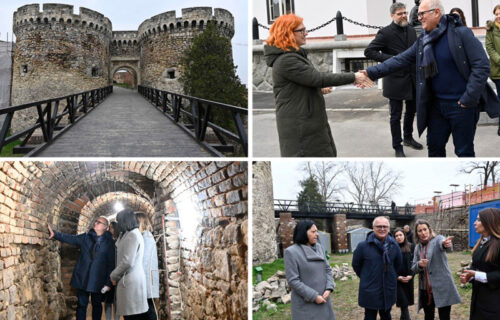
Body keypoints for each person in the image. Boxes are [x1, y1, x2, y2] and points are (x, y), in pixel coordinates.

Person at [364, 0, 500, 157]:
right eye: (418, 14)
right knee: (434, 150)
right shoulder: (423, 40)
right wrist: (369, 73)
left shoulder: (461, 34)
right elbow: (400, 59)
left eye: (422, 14)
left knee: (464, 152)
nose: (418, 17)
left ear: (436, 13)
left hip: (462, 107)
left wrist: (468, 98)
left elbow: (482, 66)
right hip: (435, 108)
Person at [264, 13, 373, 157]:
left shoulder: (292, 56)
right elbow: (317, 78)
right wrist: (353, 76)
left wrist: (316, 89)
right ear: (288, 33)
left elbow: (305, 81)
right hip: (301, 127)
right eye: (301, 30)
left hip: (307, 122)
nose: (306, 33)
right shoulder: (286, 60)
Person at [365, 2, 423, 157]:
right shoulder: (385, 33)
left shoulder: (411, 30)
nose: (404, 15)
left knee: (411, 111)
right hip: (395, 80)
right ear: (392, 16)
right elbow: (369, 51)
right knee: (396, 116)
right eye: (400, 13)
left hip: (412, 78)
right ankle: (397, 146)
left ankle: (408, 138)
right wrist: (392, 59)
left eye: (405, 12)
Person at [48, 216, 115, 320]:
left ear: (105, 227)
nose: (95, 223)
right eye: (96, 221)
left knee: (97, 305)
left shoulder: (109, 243)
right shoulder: (86, 237)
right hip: (84, 276)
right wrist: (55, 234)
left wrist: (108, 283)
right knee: (81, 304)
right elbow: (72, 239)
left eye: (99, 222)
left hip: (98, 279)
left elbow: (111, 264)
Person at [284, 220, 336, 319]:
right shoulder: (291, 252)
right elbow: (293, 280)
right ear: (303, 233)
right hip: (306, 304)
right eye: (313, 232)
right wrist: (314, 296)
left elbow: (327, 269)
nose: (317, 234)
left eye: (317, 231)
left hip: (324, 300)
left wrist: (329, 288)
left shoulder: (319, 248)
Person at [352, 216, 402, 320]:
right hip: (370, 289)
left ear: (389, 228)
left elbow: (398, 264)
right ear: (373, 228)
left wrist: (390, 276)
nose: (382, 229)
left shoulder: (394, 245)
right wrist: (367, 276)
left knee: (386, 316)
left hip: (388, 288)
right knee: (370, 316)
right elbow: (356, 265)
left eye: (385, 226)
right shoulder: (363, 246)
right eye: (379, 226)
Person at [411, 219, 461, 320]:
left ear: (429, 229)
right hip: (425, 289)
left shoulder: (438, 239)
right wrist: (419, 265)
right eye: (420, 230)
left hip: (442, 287)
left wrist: (446, 244)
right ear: (416, 233)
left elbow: (444, 246)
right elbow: (413, 268)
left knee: (444, 317)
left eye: (425, 229)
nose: (423, 233)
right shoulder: (417, 247)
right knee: (428, 316)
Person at [460, 208, 500, 320]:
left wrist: (476, 275)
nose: (474, 222)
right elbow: (477, 266)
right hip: (478, 302)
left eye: (478, 219)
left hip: (494, 305)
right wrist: (469, 276)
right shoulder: (482, 243)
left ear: (489, 221)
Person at [110, 209, 148, 319]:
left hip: (131, 281)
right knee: (129, 315)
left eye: (119, 221)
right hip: (128, 280)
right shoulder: (127, 234)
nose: (118, 224)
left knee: (133, 316)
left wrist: (113, 275)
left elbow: (127, 261)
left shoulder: (133, 235)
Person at [136, 212, 160, 320]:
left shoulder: (146, 238)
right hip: (145, 281)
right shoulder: (145, 236)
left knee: (148, 310)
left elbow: (144, 262)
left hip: (145, 281)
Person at [394, 228, 415, 320]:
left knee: (405, 303)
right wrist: (397, 277)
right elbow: (390, 266)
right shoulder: (392, 249)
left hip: (409, 279)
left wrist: (412, 275)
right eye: (396, 236)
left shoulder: (412, 247)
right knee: (403, 302)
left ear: (404, 235)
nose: (398, 237)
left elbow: (415, 262)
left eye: (400, 235)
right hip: (398, 280)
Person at [486, 4, 500, 136]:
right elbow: (489, 47)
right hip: (497, 71)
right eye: (496, 14)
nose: (498, 16)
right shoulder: (490, 29)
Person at [104, 221, 119, 320]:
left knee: (117, 301)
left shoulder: (120, 240)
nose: (110, 230)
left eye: (112, 228)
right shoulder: (107, 240)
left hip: (117, 273)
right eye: (109, 227)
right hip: (108, 273)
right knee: (108, 300)